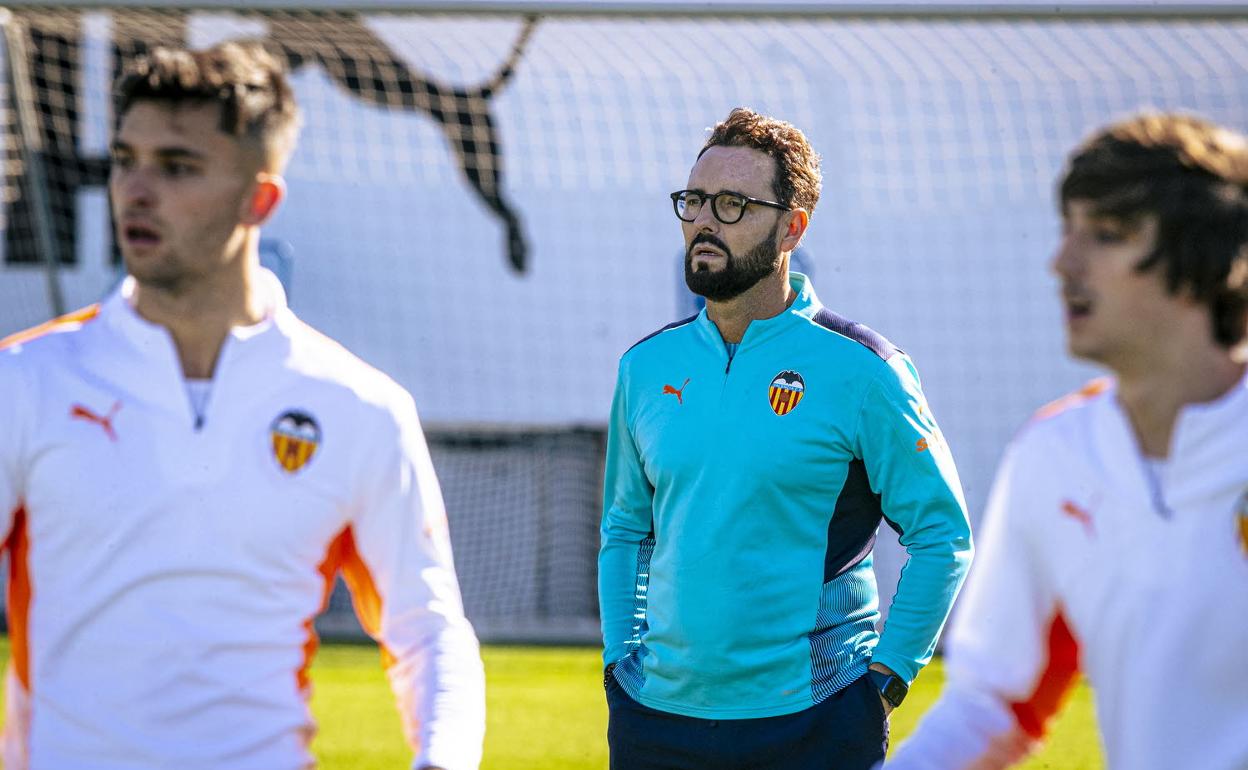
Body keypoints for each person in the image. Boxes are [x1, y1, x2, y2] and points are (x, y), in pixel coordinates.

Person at [0, 43, 485, 769]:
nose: (135, 189)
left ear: (260, 200)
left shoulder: (361, 407)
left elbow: (430, 630)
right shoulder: (26, 380)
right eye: (125, 159)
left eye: (177, 167)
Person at [599, 107, 973, 769]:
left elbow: (942, 535)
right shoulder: (644, 367)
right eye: (694, 201)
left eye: (733, 204)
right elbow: (626, 527)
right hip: (655, 723)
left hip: (814, 722)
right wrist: (619, 665)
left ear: (792, 226)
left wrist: (883, 682)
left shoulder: (864, 370)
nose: (704, 221)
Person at [888, 113, 1248, 770]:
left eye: (1107, 235)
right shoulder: (1054, 456)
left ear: (1207, 261)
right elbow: (993, 703)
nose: (1063, 263)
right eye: (1067, 231)